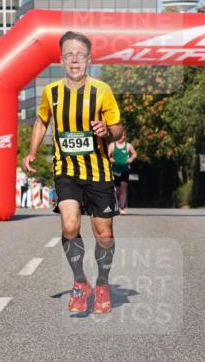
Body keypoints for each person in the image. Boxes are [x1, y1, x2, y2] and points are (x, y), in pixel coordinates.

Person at [23, 30, 123, 314]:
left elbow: (119, 130)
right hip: (66, 169)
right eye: (69, 54)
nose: (75, 59)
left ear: (89, 59)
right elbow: (42, 121)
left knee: (103, 233)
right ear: (61, 59)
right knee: (70, 226)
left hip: (99, 171)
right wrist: (31, 151)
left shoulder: (102, 90)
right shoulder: (51, 92)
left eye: (80, 54)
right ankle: (80, 282)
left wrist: (107, 130)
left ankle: (102, 284)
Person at [108, 137, 137, 214]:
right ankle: (116, 204)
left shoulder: (128, 146)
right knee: (117, 191)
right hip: (115, 170)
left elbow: (134, 154)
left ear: (125, 137)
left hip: (125, 170)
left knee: (124, 188)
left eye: (123, 136)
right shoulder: (112, 145)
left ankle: (122, 208)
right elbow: (107, 154)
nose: (121, 137)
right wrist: (110, 158)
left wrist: (130, 159)